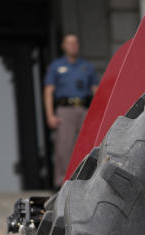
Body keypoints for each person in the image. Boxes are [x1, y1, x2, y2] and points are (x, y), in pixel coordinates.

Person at [44, 34, 98, 189]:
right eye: (69, 43)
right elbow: (48, 91)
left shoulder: (87, 66)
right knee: (64, 146)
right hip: (64, 109)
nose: (73, 46)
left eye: (75, 43)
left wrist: (97, 114)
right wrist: (50, 115)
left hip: (83, 109)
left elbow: (96, 90)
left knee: (86, 145)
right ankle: (61, 183)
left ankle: (84, 180)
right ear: (63, 46)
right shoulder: (56, 66)